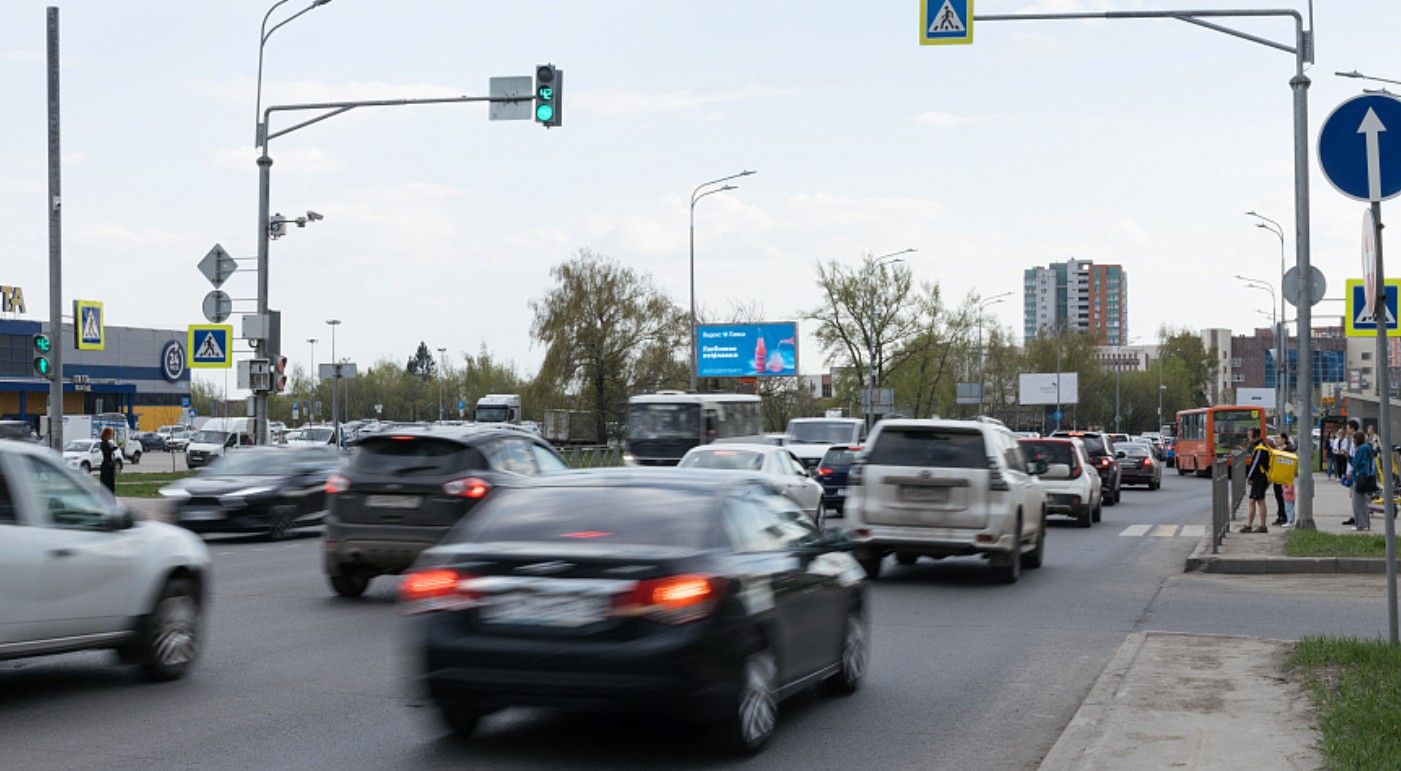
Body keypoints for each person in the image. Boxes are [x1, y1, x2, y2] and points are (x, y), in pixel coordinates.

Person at [1344, 429, 1377, 532]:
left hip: (1360, 477)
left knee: (1357, 502)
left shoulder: (1361, 449)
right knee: (1363, 501)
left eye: (1354, 439)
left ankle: (1361, 524)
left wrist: (1348, 456)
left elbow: (1355, 463)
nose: (1353, 441)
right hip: (1366, 477)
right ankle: (1366, 523)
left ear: (1357, 439)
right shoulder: (1367, 448)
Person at [1242, 428, 1272, 534]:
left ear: (1255, 436)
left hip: (1260, 477)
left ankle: (1262, 526)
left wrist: (1249, 476)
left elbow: (1255, 464)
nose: (1248, 437)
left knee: (1260, 500)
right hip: (1259, 477)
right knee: (1253, 501)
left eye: (1250, 435)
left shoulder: (1260, 449)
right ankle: (1249, 525)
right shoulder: (1262, 447)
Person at [1272, 431, 1295, 527]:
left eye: (1278, 438)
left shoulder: (1288, 450)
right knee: (1278, 497)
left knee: (1284, 498)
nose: (1276, 440)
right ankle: (1280, 515)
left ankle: (1285, 517)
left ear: (1284, 439)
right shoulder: (1277, 449)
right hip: (1277, 476)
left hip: (1284, 478)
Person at [98, 427, 118, 493]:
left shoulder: (108, 443)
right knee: (107, 483)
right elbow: (107, 453)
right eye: (110, 434)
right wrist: (113, 449)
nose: (111, 436)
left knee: (110, 483)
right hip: (106, 466)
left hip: (109, 466)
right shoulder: (104, 443)